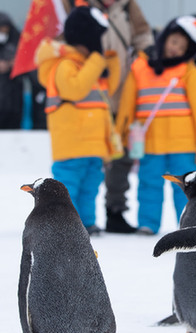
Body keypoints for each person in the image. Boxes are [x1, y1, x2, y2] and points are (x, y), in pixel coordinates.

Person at [62, 0, 155, 233]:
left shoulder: (128, 7)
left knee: (121, 156)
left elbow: (143, 35)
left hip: (124, 93)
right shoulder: (77, 5)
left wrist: (144, 57)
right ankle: (78, 216)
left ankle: (115, 210)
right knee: (90, 159)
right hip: (93, 94)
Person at [115, 16, 196, 235]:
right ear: (165, 38)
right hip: (150, 140)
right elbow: (127, 104)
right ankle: (148, 224)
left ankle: (189, 223)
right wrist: (122, 132)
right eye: (174, 41)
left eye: (183, 47)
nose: (176, 49)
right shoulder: (140, 67)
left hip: (183, 141)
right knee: (149, 184)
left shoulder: (189, 71)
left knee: (185, 186)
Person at [36, 6, 121, 235]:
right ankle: (63, 224)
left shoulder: (87, 68)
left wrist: (109, 65)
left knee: (90, 187)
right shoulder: (64, 65)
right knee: (69, 187)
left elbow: (106, 92)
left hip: (93, 144)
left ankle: (86, 222)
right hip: (72, 143)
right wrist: (96, 62)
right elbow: (74, 89)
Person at [0, 12, 23, 129]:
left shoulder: (17, 40)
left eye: (5, 30)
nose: (3, 33)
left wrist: (14, 64)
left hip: (14, 97)